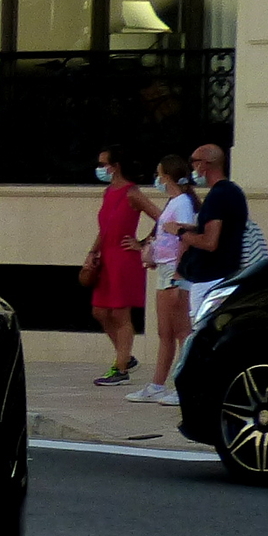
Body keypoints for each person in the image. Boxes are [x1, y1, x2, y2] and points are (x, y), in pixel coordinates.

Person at [86, 146, 160, 388]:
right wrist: (92, 252)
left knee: (120, 313)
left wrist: (142, 243)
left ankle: (120, 367)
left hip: (124, 258)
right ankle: (125, 357)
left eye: (103, 163)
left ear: (115, 166)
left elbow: (161, 218)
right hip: (106, 257)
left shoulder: (132, 193)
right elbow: (104, 228)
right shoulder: (108, 192)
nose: (101, 168)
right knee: (100, 310)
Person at [132, 154, 197, 404]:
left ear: (167, 176)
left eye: (159, 174)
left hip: (174, 271)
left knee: (182, 331)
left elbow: (184, 239)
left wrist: (179, 275)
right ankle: (157, 384)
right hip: (164, 269)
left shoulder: (182, 204)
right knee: (165, 332)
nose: (157, 179)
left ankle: (185, 386)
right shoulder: (174, 202)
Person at [173, 143, 249, 315]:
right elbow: (227, 230)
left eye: (193, 162)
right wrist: (194, 228)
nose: (192, 168)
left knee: (202, 333)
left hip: (209, 279)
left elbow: (210, 242)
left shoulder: (217, 196)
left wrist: (180, 233)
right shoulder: (234, 192)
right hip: (230, 274)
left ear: (203, 164)